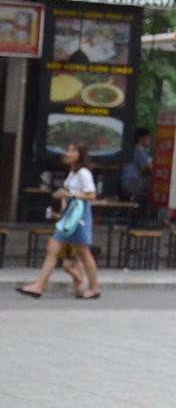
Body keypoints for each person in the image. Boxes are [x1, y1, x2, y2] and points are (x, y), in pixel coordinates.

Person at [18, 142, 101, 299]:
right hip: (69, 216)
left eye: (73, 151)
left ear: (80, 154)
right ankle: (39, 286)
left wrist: (71, 196)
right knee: (53, 250)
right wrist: (63, 201)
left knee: (84, 252)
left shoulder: (83, 172)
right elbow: (69, 193)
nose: (68, 153)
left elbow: (91, 195)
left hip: (79, 217)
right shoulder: (72, 172)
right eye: (68, 150)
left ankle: (94, 287)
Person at [120, 127, 152, 205]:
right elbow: (148, 167)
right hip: (131, 182)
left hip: (129, 182)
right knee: (156, 184)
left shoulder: (133, 148)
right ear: (140, 139)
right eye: (148, 137)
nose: (150, 140)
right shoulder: (138, 148)